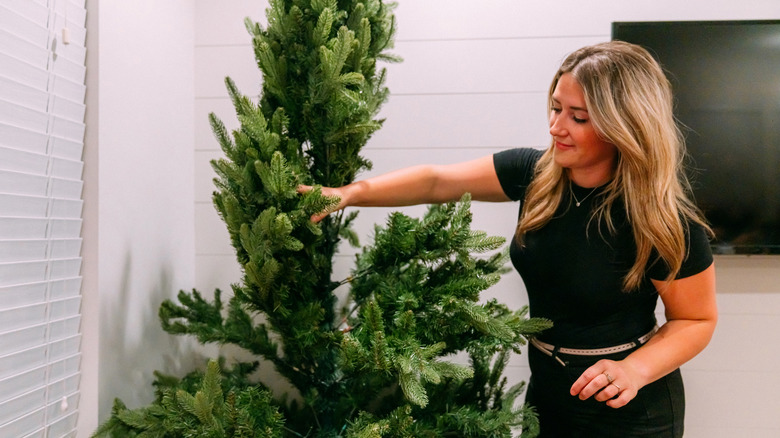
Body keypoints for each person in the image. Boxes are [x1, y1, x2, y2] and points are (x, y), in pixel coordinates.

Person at [301, 41, 717, 437]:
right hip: (548, 393)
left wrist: (635, 370)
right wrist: (349, 194)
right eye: (555, 108)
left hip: (628, 409)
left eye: (579, 117)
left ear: (623, 124)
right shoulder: (533, 174)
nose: (556, 127)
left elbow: (696, 320)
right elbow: (435, 182)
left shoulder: (664, 219)